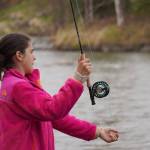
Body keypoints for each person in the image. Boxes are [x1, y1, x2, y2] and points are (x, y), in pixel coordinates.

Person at [0, 33, 119, 150]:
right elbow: (53, 110)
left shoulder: (15, 83)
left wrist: (97, 131)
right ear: (19, 55)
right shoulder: (18, 86)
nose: (34, 57)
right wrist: (77, 79)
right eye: (31, 52)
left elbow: (55, 119)